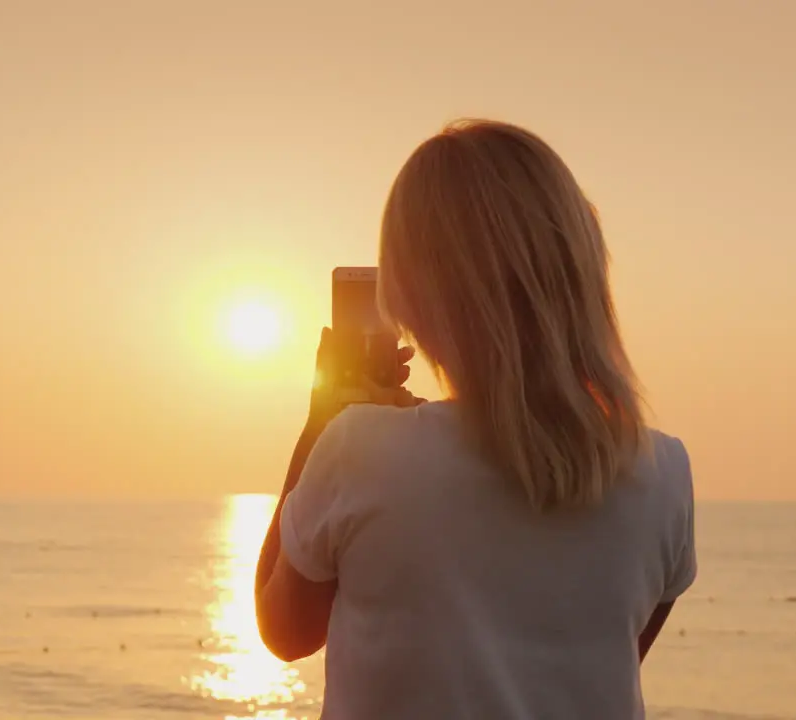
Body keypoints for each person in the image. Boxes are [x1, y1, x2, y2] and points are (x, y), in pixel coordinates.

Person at [254, 119, 696, 719]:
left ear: (407, 293)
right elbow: (593, 666)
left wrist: (319, 424)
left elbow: (284, 631)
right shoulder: (662, 473)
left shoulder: (361, 450)